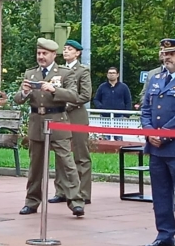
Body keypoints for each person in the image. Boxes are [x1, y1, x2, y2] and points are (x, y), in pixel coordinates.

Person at [14, 38, 85, 217]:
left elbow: (75, 96)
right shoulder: (30, 73)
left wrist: (54, 90)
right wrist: (24, 92)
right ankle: (31, 201)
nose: (41, 57)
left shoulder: (64, 73)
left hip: (58, 121)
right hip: (37, 122)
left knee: (67, 164)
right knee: (35, 166)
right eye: (39, 53)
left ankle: (76, 201)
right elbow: (17, 99)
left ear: (54, 55)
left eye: (44, 54)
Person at [141, 38, 175, 246]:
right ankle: (165, 234)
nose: (166, 57)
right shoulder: (156, 78)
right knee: (160, 193)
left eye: (171, 54)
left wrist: (164, 134)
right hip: (156, 148)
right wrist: (149, 132)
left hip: (172, 145)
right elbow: (146, 109)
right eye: (164, 54)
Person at [51, 40, 93, 205]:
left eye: (70, 49)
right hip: (60, 116)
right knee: (61, 154)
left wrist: (67, 104)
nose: (66, 51)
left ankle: (83, 192)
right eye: (65, 48)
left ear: (78, 53)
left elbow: (85, 95)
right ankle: (61, 191)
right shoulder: (58, 70)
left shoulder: (82, 71)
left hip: (76, 115)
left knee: (81, 155)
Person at [93, 66, 132, 141]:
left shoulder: (124, 87)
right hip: (105, 117)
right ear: (107, 75)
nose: (111, 75)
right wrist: (101, 107)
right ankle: (105, 152)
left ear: (117, 75)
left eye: (113, 73)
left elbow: (128, 101)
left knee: (119, 138)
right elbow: (96, 99)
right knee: (105, 137)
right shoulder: (102, 87)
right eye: (110, 73)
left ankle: (118, 151)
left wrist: (126, 115)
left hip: (119, 117)